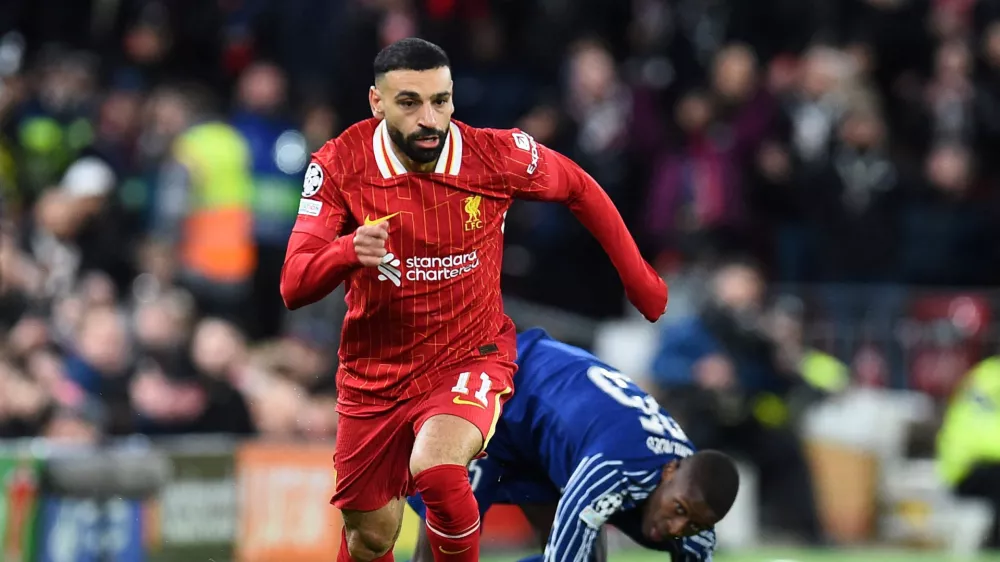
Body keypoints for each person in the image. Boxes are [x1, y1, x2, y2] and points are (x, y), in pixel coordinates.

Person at [280, 38, 668, 562]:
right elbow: (294, 284)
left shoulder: (493, 154)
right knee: (370, 538)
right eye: (409, 102)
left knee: (439, 470)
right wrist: (348, 250)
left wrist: (638, 275)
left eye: (440, 101)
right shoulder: (338, 165)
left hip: (470, 357)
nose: (429, 119)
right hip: (374, 373)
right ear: (377, 103)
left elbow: (578, 185)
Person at [407, 328, 739, 562]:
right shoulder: (615, 468)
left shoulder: (693, 499)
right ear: (668, 471)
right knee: (446, 544)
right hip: (506, 391)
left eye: (694, 524)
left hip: (549, 429)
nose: (678, 528)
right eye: (678, 511)